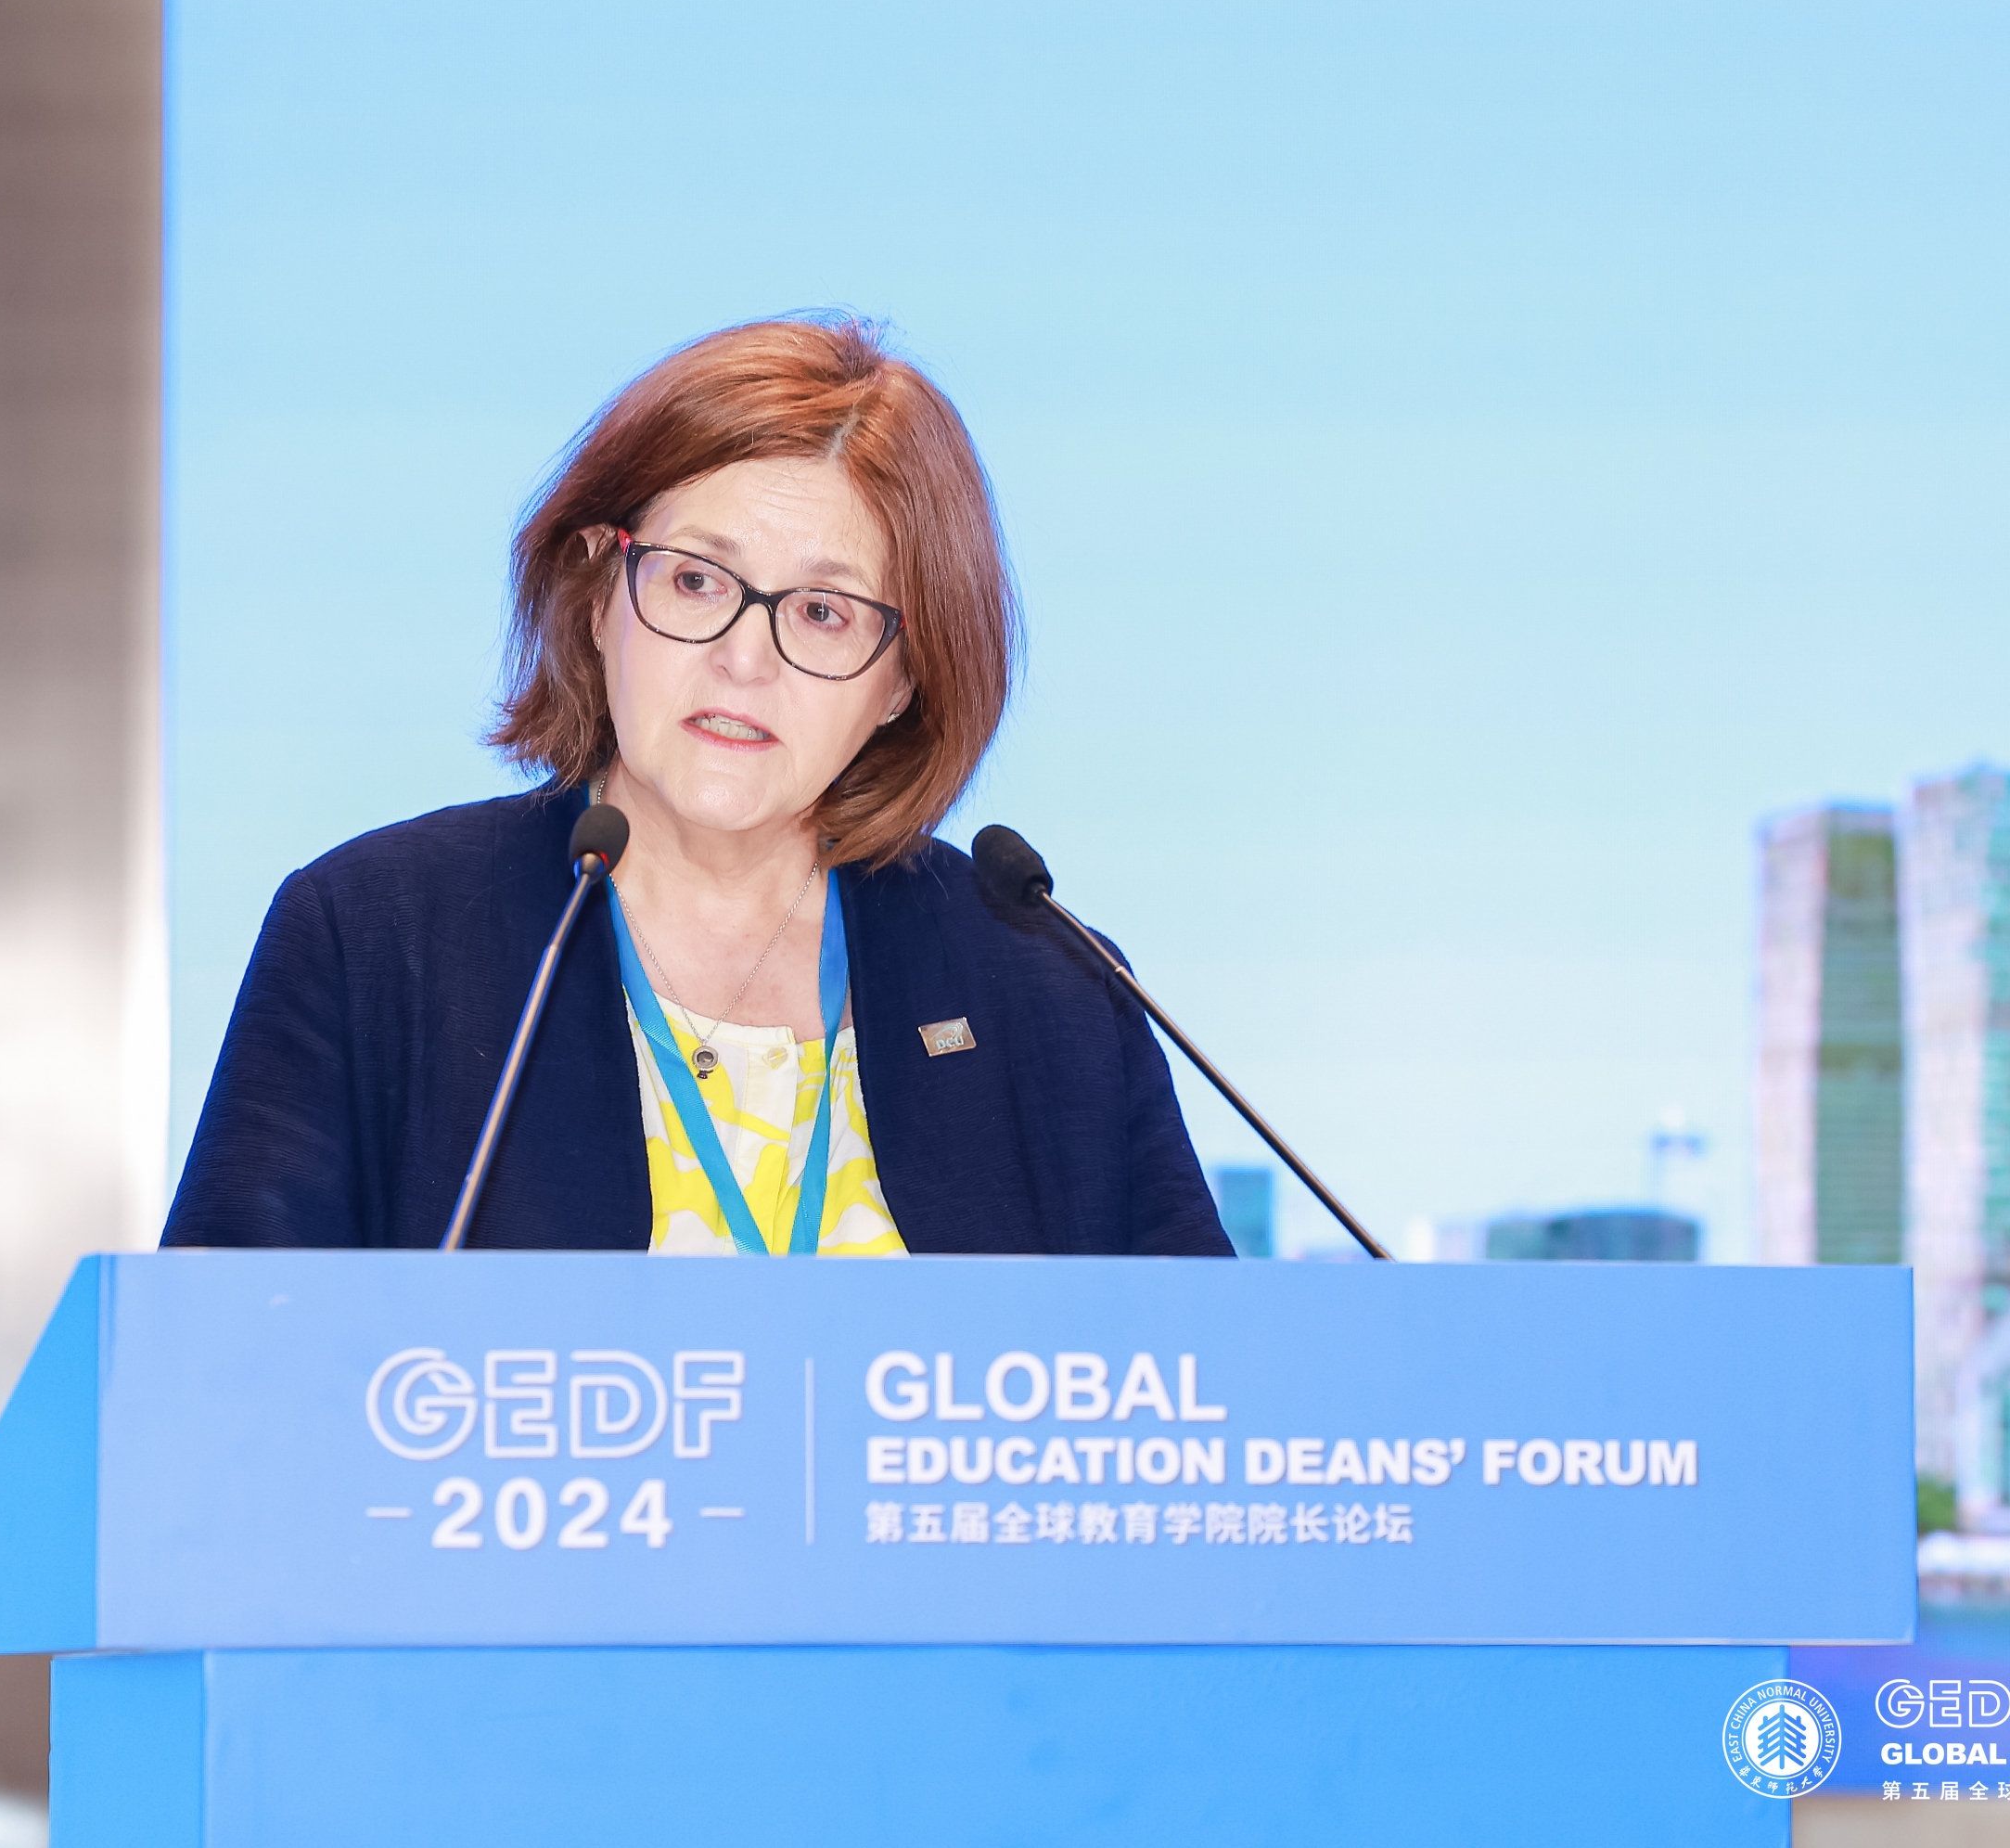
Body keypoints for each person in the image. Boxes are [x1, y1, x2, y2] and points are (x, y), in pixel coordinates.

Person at [161, 316, 1231, 1256]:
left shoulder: (1049, 989)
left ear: (903, 681)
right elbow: (218, 1375)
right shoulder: (374, 934)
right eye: (694, 580)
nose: (742, 660)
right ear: (597, 595)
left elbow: (1207, 1387)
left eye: (822, 612)